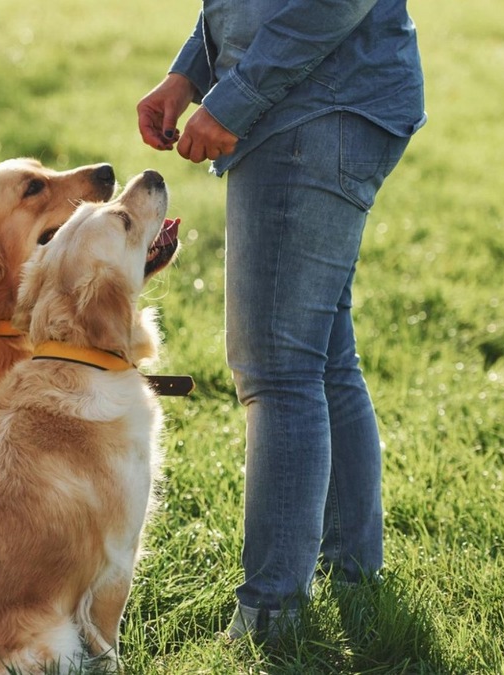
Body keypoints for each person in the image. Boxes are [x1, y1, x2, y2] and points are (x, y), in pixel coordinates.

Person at [136, 0, 426, 640]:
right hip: (322, 102)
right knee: (320, 358)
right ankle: (352, 577)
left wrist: (233, 98)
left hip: (314, 108)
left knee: (278, 369)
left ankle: (272, 616)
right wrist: (190, 73)